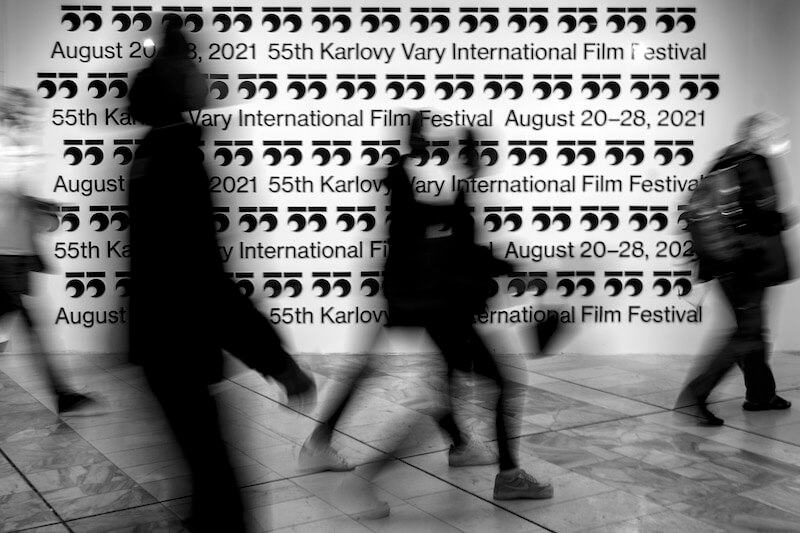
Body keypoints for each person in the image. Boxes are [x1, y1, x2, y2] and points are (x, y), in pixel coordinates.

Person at [299, 117, 553, 519]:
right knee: (455, 393)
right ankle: (367, 475)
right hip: (433, 307)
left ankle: (469, 452)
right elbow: (452, 249)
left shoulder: (444, 192)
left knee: (435, 389)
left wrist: (506, 267)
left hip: (429, 306)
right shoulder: (420, 190)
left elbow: (457, 245)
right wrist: (506, 269)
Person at [127, 22, 314, 533]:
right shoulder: (176, 160)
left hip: (164, 344)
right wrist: (277, 361)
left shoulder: (154, 153)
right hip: (179, 343)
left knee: (209, 484)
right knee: (222, 499)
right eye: (194, 64)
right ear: (176, 79)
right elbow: (202, 277)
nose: (206, 74)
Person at [677, 111, 793, 425]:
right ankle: (695, 395)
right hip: (745, 264)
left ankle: (761, 395)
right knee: (746, 334)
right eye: (775, 134)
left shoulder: (724, 160)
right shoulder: (754, 163)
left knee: (752, 330)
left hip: (725, 264)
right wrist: (786, 218)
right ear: (760, 136)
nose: (781, 140)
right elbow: (762, 216)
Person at [0, 85, 94, 414]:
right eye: (24, 111)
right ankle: (62, 394)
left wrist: (39, 206)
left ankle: (62, 394)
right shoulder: (7, 146)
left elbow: (14, 196)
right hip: (5, 254)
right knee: (30, 325)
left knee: (24, 325)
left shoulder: (16, 146)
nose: (30, 118)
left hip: (16, 253)